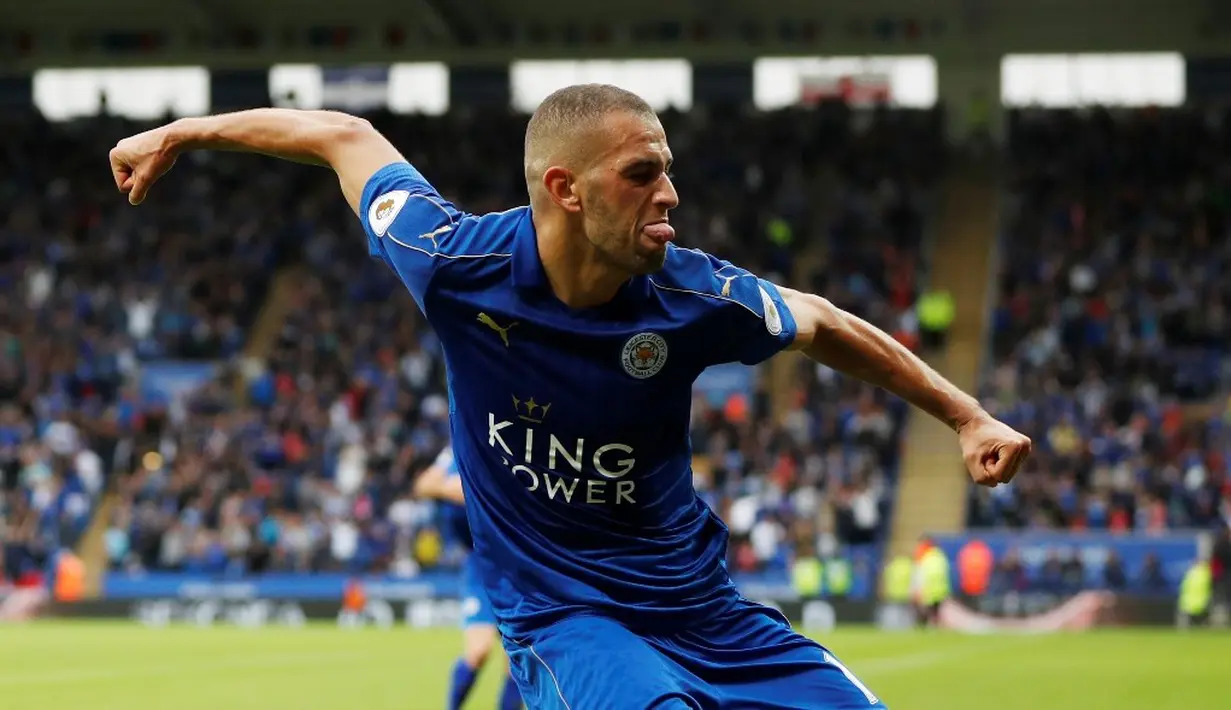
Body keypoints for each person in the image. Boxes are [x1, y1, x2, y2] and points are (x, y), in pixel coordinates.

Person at [109, 84, 1031, 709]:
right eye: (641, 174)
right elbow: (344, 135)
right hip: (560, 610)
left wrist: (967, 414)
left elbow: (822, 322)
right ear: (566, 190)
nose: (669, 194)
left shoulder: (691, 294)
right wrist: (182, 132)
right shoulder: (451, 261)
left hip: (701, 606)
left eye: (667, 168)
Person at [414, 445, 523, 710]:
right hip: (480, 564)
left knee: (516, 664)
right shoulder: (455, 450)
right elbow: (424, 485)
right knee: (478, 651)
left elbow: (506, 494)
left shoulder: (511, 446)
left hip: (517, 563)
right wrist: (468, 489)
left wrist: (459, 488)